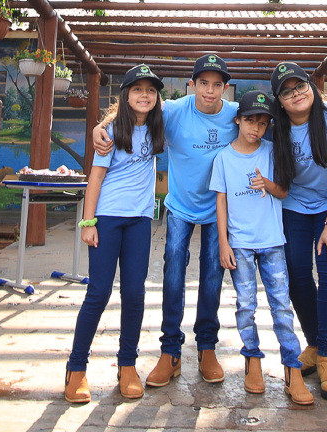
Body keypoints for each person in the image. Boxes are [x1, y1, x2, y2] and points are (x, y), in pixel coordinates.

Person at [93, 53, 237, 387]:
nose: (210, 91)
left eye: (217, 85)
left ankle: (206, 347)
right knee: (173, 268)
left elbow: (267, 125)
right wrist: (101, 126)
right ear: (192, 85)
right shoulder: (173, 110)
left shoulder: (235, 115)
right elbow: (135, 110)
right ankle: (170, 350)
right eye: (204, 83)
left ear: (226, 88)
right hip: (181, 206)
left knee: (213, 272)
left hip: (218, 209)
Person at [64, 64, 165, 404]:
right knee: (99, 293)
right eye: (138, 89)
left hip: (139, 220)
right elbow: (95, 178)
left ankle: (127, 366)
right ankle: (76, 369)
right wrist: (88, 222)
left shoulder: (157, 128)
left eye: (151, 90)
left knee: (135, 294)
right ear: (125, 95)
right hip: (107, 219)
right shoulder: (110, 132)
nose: (144, 95)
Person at [210, 90, 314, 406]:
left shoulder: (271, 152)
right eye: (251, 121)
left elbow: (282, 191)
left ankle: (292, 370)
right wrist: (224, 244)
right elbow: (221, 202)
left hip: (272, 243)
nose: (256, 128)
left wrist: (266, 184)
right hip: (239, 245)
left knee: (282, 306)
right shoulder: (224, 158)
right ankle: (252, 360)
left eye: (263, 122)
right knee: (245, 305)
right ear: (238, 120)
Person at [268, 62, 327, 402]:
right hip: (295, 203)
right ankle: (317, 343)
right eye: (287, 92)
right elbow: (234, 113)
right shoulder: (274, 126)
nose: (296, 94)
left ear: (311, 85)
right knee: (294, 271)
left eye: (300, 86)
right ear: (279, 100)